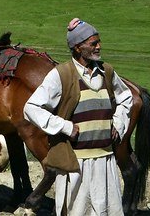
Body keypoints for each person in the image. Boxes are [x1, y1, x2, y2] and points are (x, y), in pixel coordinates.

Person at [24, 18, 133, 216]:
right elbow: (31, 107)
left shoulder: (106, 71)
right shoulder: (62, 74)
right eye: (93, 43)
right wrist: (64, 126)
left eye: (98, 42)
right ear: (77, 47)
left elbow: (126, 98)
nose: (99, 46)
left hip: (106, 161)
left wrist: (119, 121)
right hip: (77, 165)